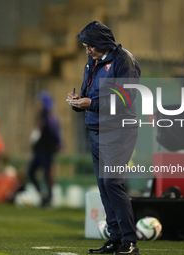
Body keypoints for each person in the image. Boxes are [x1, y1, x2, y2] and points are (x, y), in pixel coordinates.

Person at [67, 21, 140, 255]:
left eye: (90, 46)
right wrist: (79, 102)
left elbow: (125, 99)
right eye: (85, 46)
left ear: (101, 43)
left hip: (118, 130)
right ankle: (115, 239)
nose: (87, 50)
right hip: (96, 129)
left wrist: (91, 103)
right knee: (103, 186)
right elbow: (90, 96)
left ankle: (130, 241)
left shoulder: (123, 60)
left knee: (112, 182)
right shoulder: (93, 61)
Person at [28, 91, 61, 208]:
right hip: (39, 149)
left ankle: (50, 198)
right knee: (31, 172)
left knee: (47, 173)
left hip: (47, 149)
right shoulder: (41, 116)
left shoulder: (49, 117)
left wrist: (59, 144)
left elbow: (55, 133)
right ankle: (43, 195)